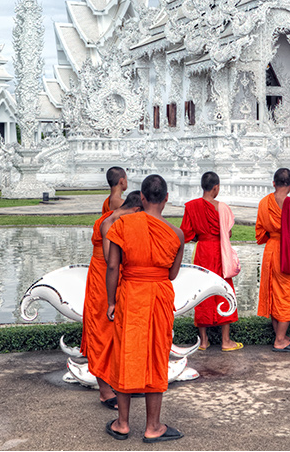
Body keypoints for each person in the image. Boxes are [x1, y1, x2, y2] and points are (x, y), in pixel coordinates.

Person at [104, 174, 185, 443]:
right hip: (159, 295)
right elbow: (172, 274)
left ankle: (123, 423)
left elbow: (113, 265)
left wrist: (112, 301)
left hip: (130, 294)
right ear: (165, 199)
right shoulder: (176, 233)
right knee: (156, 354)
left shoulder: (124, 223)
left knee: (127, 352)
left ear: (142, 197)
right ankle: (153, 426)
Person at [83, 191, 143, 410]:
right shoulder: (110, 222)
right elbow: (111, 260)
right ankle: (104, 390)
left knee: (117, 331)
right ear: (136, 210)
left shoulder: (117, 217)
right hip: (103, 279)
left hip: (113, 277)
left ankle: (119, 384)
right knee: (102, 330)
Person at [180, 171, 241, 352]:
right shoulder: (222, 207)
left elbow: (187, 233)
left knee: (200, 290)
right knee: (224, 289)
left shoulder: (191, 206)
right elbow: (228, 233)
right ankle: (225, 340)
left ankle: (204, 341)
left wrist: (200, 234)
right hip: (220, 252)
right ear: (216, 187)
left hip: (203, 252)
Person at [255, 167, 290, 352]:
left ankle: (281, 335)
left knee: (274, 292)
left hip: (271, 251)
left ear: (274, 183)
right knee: (288, 293)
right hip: (287, 250)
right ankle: (279, 340)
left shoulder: (264, 202)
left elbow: (261, 232)